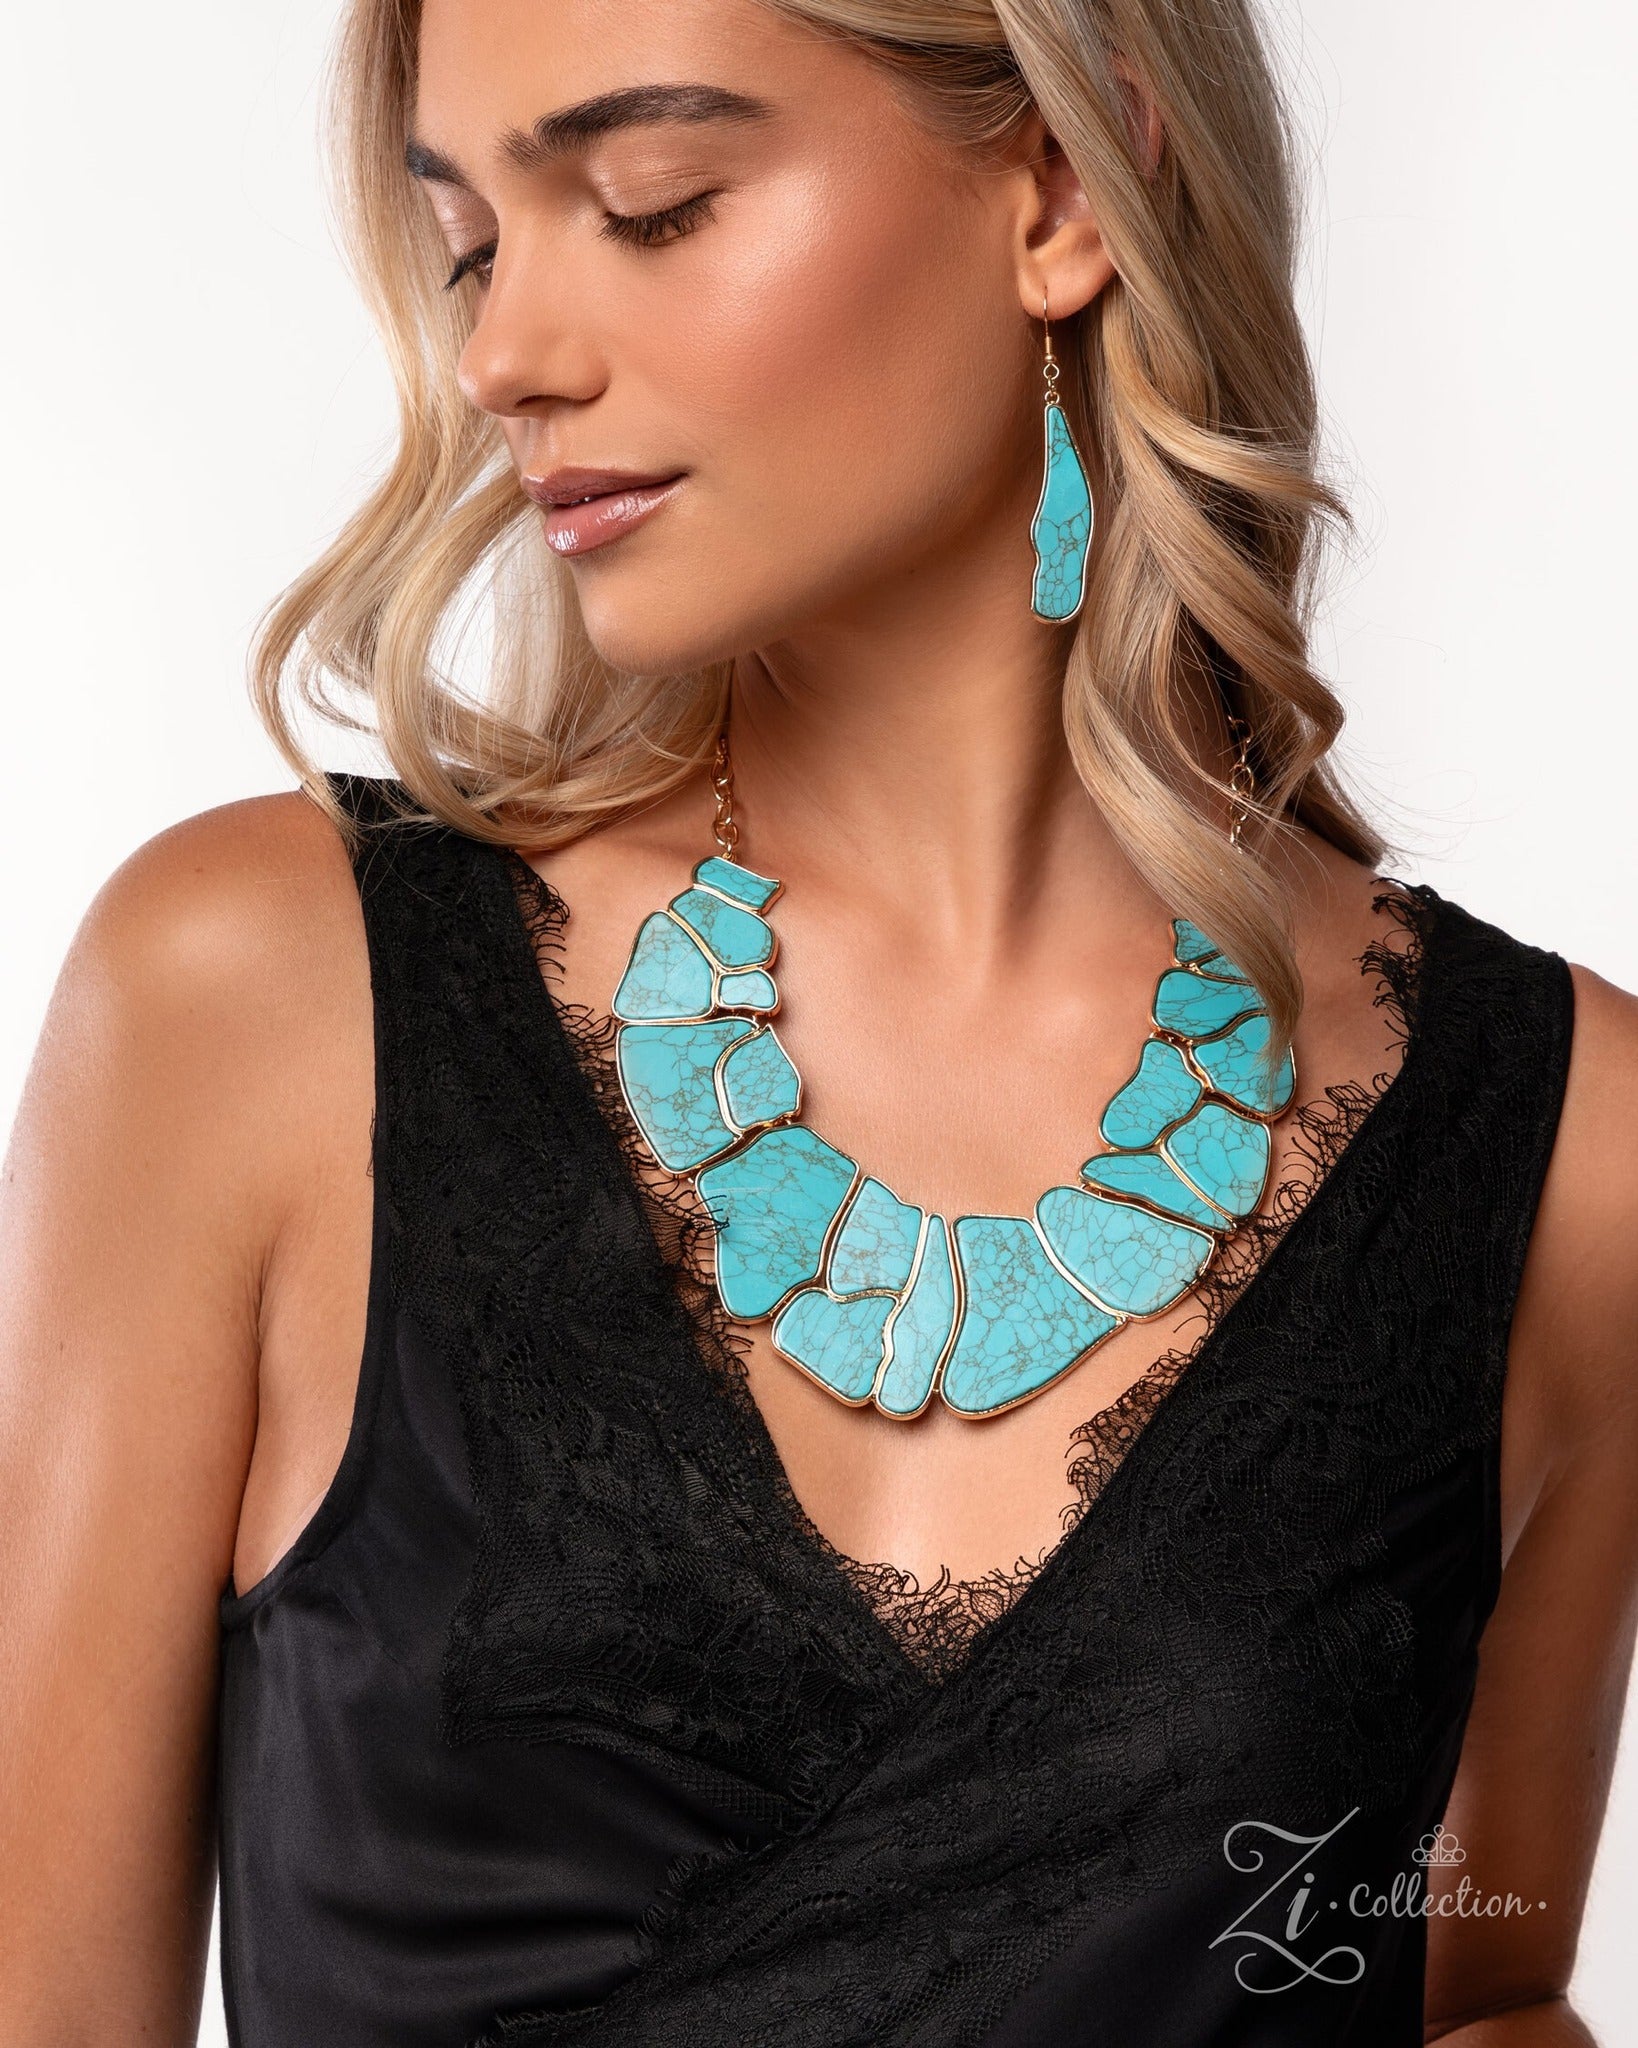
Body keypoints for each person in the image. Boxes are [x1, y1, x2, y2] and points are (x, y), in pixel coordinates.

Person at [3, 1, 1635, 2043]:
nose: (504, 356)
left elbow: (1467, 1981)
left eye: (648, 205)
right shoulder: (249, 997)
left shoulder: (1571, 1149)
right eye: (472, 244)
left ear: (1060, 190)